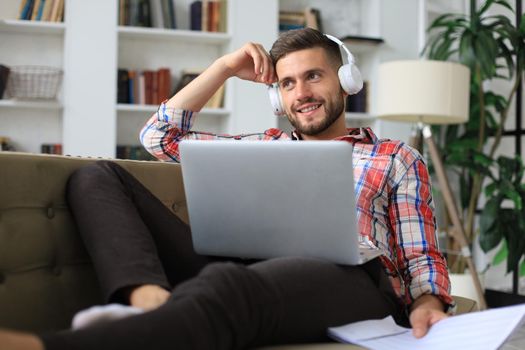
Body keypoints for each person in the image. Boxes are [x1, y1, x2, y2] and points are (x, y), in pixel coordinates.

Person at [0, 28, 452, 350]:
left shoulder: (394, 156)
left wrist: (427, 302)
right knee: (97, 176)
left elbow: (420, 255)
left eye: (313, 76)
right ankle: (149, 299)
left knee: (228, 285)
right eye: (286, 83)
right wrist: (222, 68)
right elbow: (159, 138)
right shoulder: (262, 146)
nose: (301, 93)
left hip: (350, 280)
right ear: (277, 97)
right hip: (246, 265)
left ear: (346, 82)